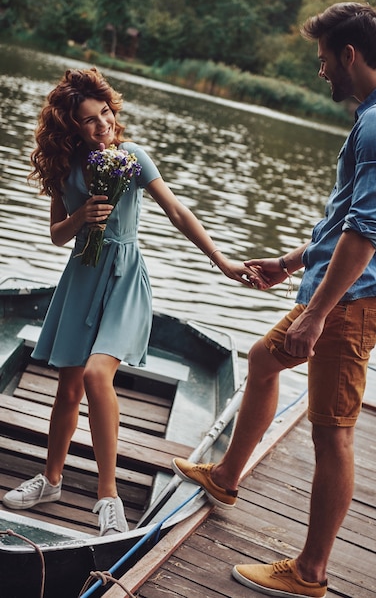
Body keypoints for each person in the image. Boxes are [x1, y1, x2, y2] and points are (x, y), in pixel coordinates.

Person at [172, 2, 376, 597]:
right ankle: (228, 475)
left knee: (332, 432)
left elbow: (367, 232)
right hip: (340, 291)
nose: (321, 72)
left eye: (323, 60)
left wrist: (316, 313)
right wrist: (291, 262)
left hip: (349, 304)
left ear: (349, 55)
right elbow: (348, 222)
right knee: (263, 358)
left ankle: (310, 572)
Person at [2, 67, 255, 536]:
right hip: (80, 277)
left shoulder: (132, 158)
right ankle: (51, 480)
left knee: (98, 375)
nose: (104, 126)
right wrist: (81, 216)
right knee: (68, 387)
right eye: (90, 120)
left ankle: (107, 495)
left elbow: (178, 211)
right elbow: (57, 235)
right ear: (71, 127)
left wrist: (222, 261)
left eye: (106, 114)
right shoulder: (65, 167)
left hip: (123, 279)